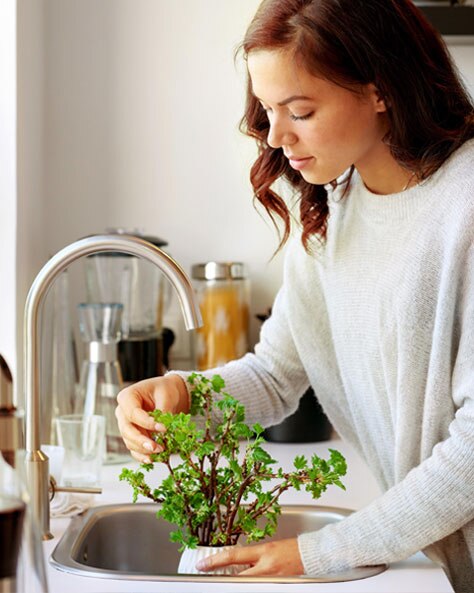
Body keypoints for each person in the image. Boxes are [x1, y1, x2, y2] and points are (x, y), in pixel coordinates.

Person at [115, 1, 474, 590]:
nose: (277, 136)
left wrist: (322, 551)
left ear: (379, 89)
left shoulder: (463, 206)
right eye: (268, 110)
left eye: (301, 111)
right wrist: (181, 395)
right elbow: (277, 375)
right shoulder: (337, 205)